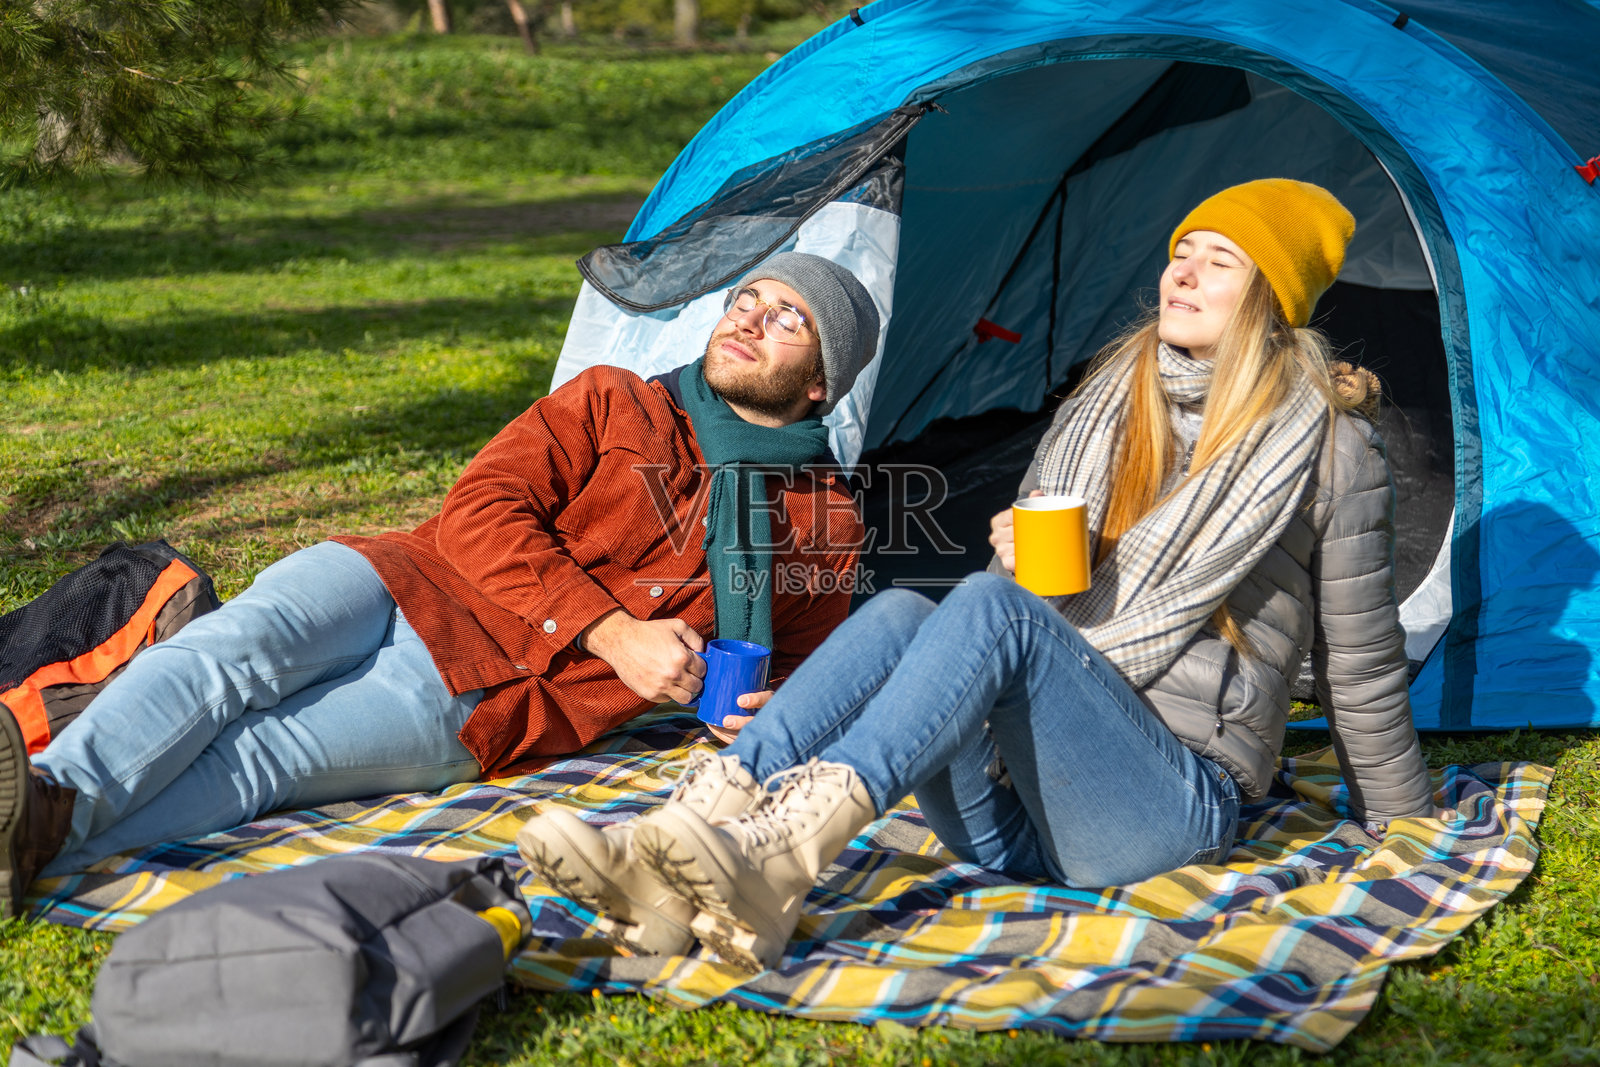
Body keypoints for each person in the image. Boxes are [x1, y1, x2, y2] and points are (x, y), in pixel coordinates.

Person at [519, 179, 1437, 974]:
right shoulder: (1106, 403)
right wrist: (1026, 560)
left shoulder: (1325, 448)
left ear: (1274, 296)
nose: (1181, 274)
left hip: (1167, 804)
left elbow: (1359, 660)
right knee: (901, 613)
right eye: (1179, 253)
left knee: (986, 606)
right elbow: (1033, 616)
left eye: (1219, 262)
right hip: (1021, 804)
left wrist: (1403, 829)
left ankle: (792, 852)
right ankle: (695, 833)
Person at [0, 252, 880, 921]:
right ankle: (44, 805)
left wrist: (750, 712)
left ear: (818, 382)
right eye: (746, 300)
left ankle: (30, 831)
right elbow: (479, 510)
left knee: (261, 758)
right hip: (401, 573)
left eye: (787, 320)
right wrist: (612, 631)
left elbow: (803, 681)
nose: (749, 321)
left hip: (490, 695)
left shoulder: (822, 520)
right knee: (230, 650)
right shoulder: (617, 402)